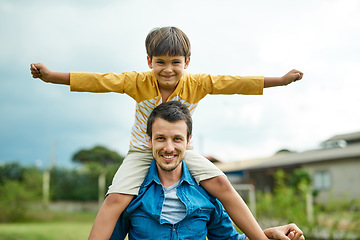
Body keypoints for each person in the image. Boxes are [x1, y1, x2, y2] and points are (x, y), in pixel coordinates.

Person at [30, 26, 303, 240]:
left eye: (175, 62)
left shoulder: (198, 83)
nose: (168, 69)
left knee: (221, 185)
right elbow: (98, 81)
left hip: (182, 150)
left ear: (187, 61)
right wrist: (51, 75)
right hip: (141, 150)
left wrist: (280, 80)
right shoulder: (136, 82)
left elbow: (235, 83)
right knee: (115, 198)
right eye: (160, 62)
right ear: (149, 60)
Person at [109, 101, 305, 240]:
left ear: (189, 140)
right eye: (161, 138)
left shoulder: (208, 194)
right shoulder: (131, 193)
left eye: (177, 139)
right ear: (149, 140)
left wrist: (270, 234)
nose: (169, 147)